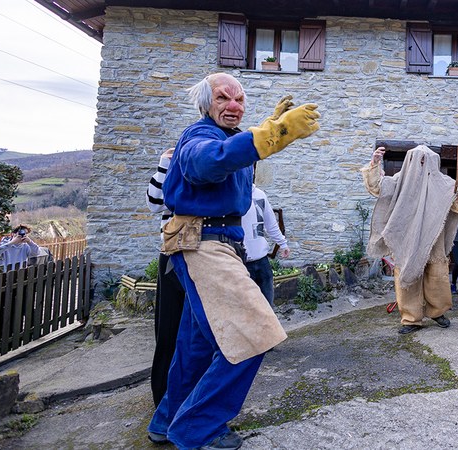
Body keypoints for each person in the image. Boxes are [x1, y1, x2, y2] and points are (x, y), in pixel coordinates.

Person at [147, 73, 319, 449]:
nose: (234, 106)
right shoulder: (198, 136)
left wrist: (266, 126)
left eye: (239, 100)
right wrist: (273, 134)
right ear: (205, 104)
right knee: (254, 334)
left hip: (215, 245)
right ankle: (197, 428)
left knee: (195, 347)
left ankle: (167, 421)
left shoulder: (223, 136)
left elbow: (230, 157)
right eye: (223, 98)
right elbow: (208, 162)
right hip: (204, 244)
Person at [363, 145, 458, 335]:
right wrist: (375, 163)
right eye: (419, 160)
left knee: (436, 276)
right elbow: (378, 187)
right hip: (407, 237)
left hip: (433, 238)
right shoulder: (400, 181)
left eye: (426, 160)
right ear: (410, 161)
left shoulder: (444, 184)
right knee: (407, 274)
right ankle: (411, 318)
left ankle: (437, 312)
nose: (423, 164)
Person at [145, 147, 186, 408]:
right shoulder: (175, 167)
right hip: (173, 254)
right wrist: (165, 163)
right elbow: (154, 203)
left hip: (210, 255)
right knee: (169, 329)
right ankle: (163, 398)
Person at [242, 182, 291, 306]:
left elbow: (270, 223)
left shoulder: (260, 194)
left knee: (268, 306)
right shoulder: (230, 196)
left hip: (262, 261)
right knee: (247, 307)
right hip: (241, 262)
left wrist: (282, 243)